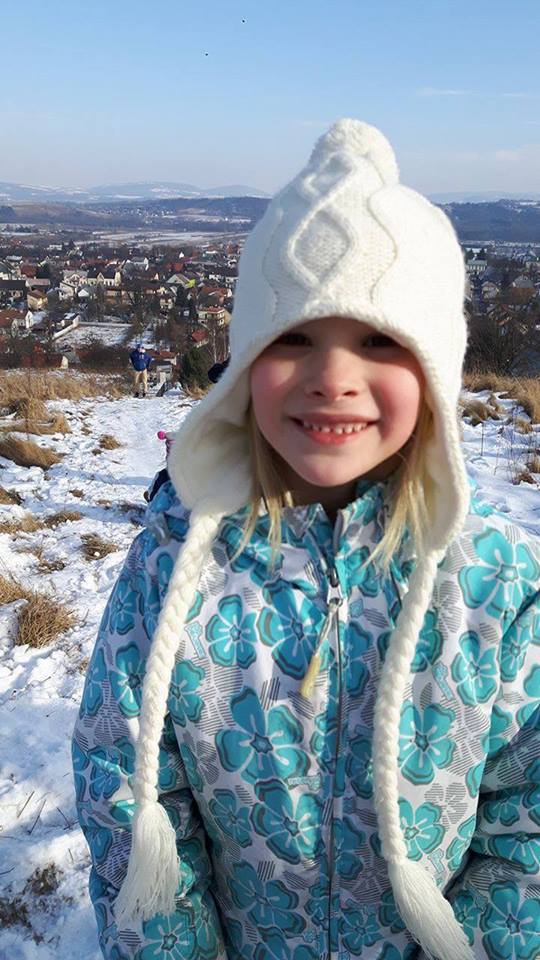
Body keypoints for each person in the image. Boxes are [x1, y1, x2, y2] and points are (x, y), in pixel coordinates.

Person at [72, 120, 539, 960]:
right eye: (293, 337)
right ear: (245, 365)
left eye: (380, 340)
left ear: (436, 370)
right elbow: (129, 787)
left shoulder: (497, 583)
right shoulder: (172, 565)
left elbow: (528, 823)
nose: (333, 378)